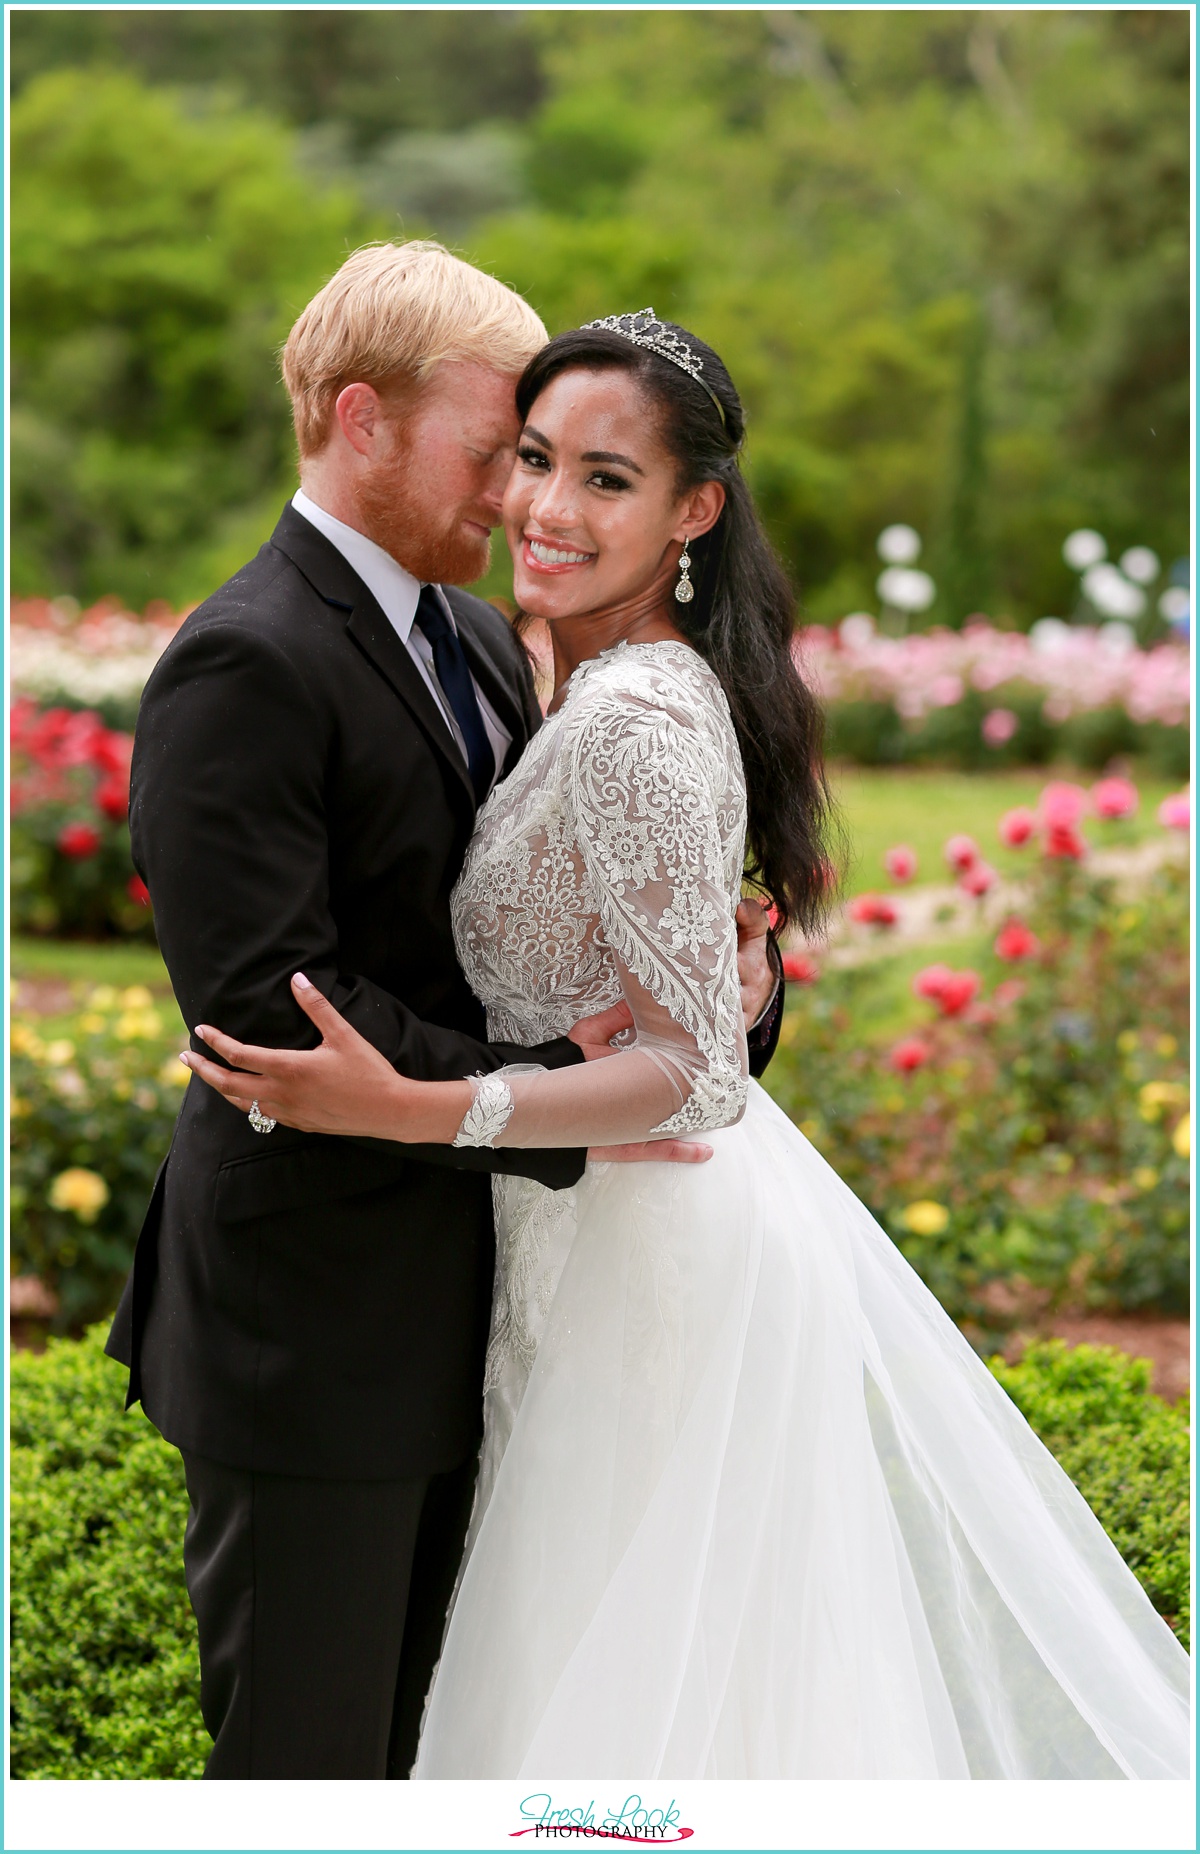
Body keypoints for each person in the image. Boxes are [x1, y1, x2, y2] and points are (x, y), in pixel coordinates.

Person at [184, 310, 1190, 1779]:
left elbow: (698, 1065)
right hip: (556, 1239)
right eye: (529, 458)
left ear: (693, 510)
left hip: (642, 1244)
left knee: (619, 1684)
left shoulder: (634, 711)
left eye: (607, 479)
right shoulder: (527, 660)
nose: (543, 505)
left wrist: (426, 1102)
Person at [104, 249, 783, 1782]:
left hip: (491, 1315)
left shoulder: (486, 640)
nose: (524, 495)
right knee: (310, 1768)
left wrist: (729, 987)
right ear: (361, 420)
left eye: (556, 459)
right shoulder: (244, 658)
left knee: (454, 1759)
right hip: (319, 1323)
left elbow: (567, 937)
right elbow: (275, 1012)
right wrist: (555, 1090)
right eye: (502, 449)